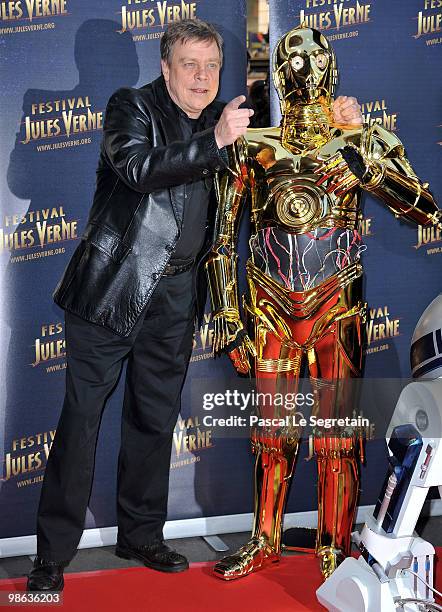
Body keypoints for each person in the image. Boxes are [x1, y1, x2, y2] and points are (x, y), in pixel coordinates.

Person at [27, 18, 363, 592]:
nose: (204, 77)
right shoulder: (129, 106)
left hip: (178, 295)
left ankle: (141, 533)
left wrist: (343, 124)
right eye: (191, 65)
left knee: (154, 422)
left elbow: (287, 156)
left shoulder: (224, 120)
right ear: (165, 68)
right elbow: (137, 170)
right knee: (81, 426)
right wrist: (214, 142)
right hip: (112, 289)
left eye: (212, 65)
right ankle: (50, 559)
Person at [206, 26, 441, 582]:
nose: (304, 68)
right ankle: (264, 540)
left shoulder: (359, 142)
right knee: (271, 434)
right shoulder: (251, 146)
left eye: (315, 58)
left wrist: (370, 162)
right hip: (268, 308)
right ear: (275, 72)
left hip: (337, 310)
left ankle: (334, 547)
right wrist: (230, 318)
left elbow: (425, 209)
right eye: (291, 56)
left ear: (332, 71)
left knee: (340, 435)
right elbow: (220, 240)